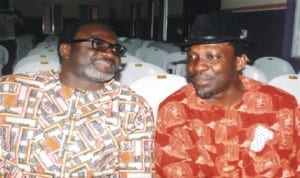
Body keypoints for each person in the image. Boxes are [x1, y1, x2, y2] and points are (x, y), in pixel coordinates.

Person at [0, 20, 155, 177]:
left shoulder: (131, 107)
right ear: (66, 50)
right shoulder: (12, 91)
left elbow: (136, 173)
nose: (110, 53)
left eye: (116, 49)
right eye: (98, 44)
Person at [154, 11, 300, 177]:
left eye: (212, 57)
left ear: (239, 62)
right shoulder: (175, 112)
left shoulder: (281, 106)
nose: (198, 66)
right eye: (192, 57)